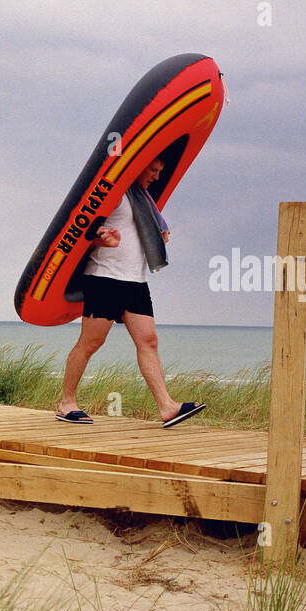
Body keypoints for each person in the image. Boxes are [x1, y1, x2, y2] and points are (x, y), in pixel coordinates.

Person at [56, 157, 205, 428]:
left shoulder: (143, 199)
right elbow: (85, 227)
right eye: (153, 169)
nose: (157, 177)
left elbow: (139, 233)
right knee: (91, 343)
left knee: (148, 341)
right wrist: (102, 236)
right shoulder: (115, 194)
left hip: (135, 281)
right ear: (140, 164)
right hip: (104, 278)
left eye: (161, 171)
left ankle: (167, 407)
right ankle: (67, 402)